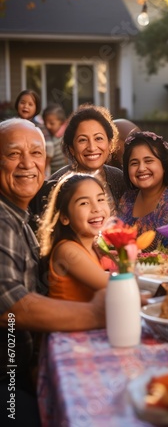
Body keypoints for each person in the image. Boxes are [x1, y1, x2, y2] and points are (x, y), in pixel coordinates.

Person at [0, 119, 106, 426]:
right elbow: (10, 306)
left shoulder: (18, 218)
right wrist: (97, 314)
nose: (26, 164)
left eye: (35, 153)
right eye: (13, 154)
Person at [29, 104, 126, 230]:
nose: (91, 147)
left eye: (98, 138)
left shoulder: (118, 177)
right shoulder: (57, 184)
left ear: (109, 143)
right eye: (82, 140)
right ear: (72, 149)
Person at [37, 174, 112, 302]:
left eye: (100, 199)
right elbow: (114, 287)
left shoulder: (93, 247)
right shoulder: (68, 250)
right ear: (64, 217)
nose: (97, 208)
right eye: (84, 203)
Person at [118, 131, 168, 252]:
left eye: (148, 161)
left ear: (164, 165)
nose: (141, 168)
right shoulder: (127, 199)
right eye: (134, 163)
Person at [15, 89, 53, 177]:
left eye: (30, 104)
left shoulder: (38, 127)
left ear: (36, 108)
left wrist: (42, 169)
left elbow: (50, 150)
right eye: (22, 103)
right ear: (17, 104)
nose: (25, 106)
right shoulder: (12, 125)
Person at [42, 103, 68, 174]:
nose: (48, 126)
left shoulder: (65, 136)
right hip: (54, 173)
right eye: (45, 123)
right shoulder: (47, 137)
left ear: (61, 123)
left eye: (51, 123)